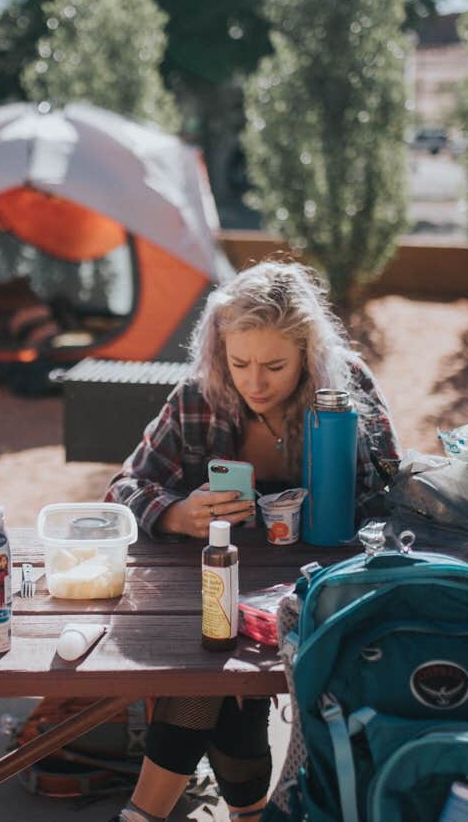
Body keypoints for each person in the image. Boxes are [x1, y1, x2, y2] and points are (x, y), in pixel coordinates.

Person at [105, 260, 401, 822]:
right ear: (220, 352)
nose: (254, 382)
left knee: (216, 674)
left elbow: (397, 497)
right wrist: (176, 514)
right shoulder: (200, 395)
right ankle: (244, 813)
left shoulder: (347, 385)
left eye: (274, 365)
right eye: (239, 362)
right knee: (222, 668)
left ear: (309, 356)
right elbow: (124, 488)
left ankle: (148, 815)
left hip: (323, 597)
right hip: (218, 591)